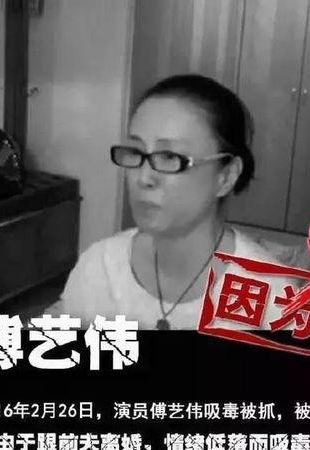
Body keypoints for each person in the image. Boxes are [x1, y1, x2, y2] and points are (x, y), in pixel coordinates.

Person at [49, 74, 297, 330]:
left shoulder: (272, 298)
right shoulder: (99, 268)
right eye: (136, 152)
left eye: (169, 156)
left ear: (226, 176)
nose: (143, 178)